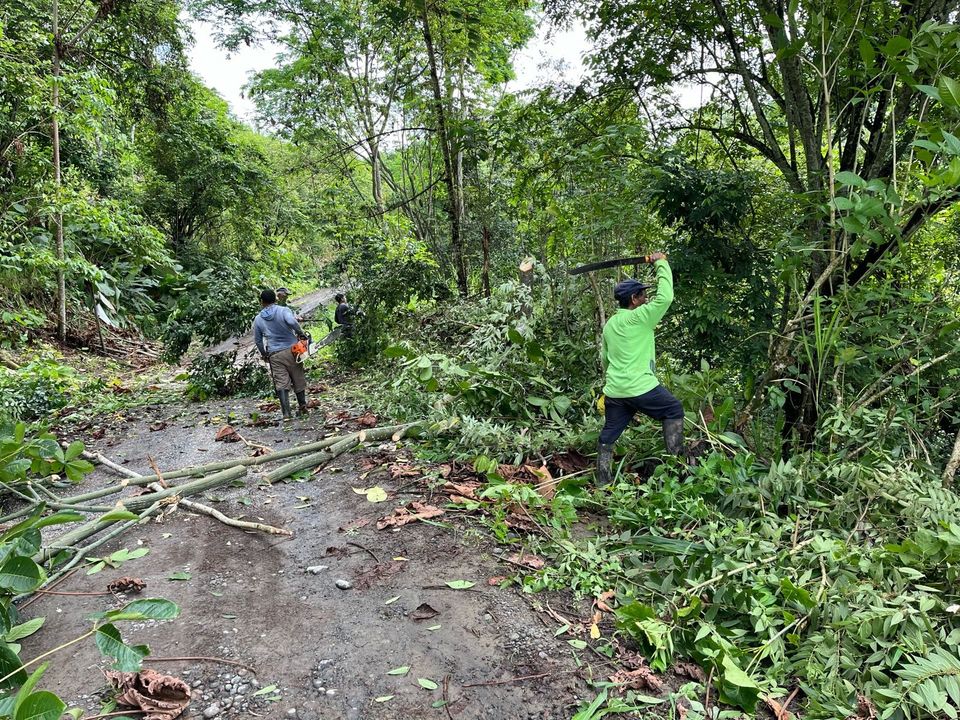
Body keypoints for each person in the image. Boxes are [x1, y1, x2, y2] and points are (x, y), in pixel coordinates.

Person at [596, 252, 684, 483]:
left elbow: (605, 359)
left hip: (615, 391)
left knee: (608, 436)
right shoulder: (641, 317)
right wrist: (661, 263)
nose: (647, 299)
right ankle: (677, 468)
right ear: (634, 299)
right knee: (673, 409)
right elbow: (666, 297)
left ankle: (603, 482)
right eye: (644, 295)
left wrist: (613, 380)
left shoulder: (610, 324)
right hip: (641, 387)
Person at [253, 289, 310, 420]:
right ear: (275, 299)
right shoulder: (283, 310)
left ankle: (286, 414)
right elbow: (292, 322)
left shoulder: (258, 319)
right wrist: (300, 333)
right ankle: (302, 407)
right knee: (298, 377)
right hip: (292, 350)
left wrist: (264, 354)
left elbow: (258, 340)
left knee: (281, 383)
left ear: (262, 302)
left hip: (275, 354)